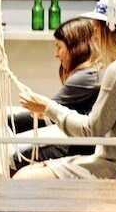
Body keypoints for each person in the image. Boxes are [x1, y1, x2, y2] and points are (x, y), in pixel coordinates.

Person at [14, 0, 116, 180]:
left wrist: (49, 108)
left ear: (108, 32)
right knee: (30, 172)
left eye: (96, 30)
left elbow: (91, 130)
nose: (94, 37)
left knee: (24, 179)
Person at [10, 17, 101, 170]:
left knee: (16, 161)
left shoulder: (85, 77)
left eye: (59, 47)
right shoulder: (93, 73)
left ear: (75, 47)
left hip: (85, 149)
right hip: (85, 144)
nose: (56, 54)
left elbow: (45, 114)